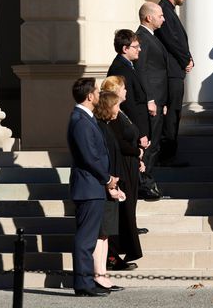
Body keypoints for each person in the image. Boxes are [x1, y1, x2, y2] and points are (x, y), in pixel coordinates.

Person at [67, 77, 118, 297]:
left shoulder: (85, 118)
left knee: (88, 238)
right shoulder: (80, 119)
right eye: (97, 91)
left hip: (92, 186)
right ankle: (83, 284)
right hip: (89, 187)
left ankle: (86, 282)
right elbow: (89, 156)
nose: (99, 94)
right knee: (86, 239)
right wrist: (107, 179)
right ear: (89, 96)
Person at [100, 76, 145, 271]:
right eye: (124, 88)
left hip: (130, 165)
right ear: (116, 90)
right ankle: (112, 255)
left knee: (127, 211)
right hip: (121, 167)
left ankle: (116, 253)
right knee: (119, 212)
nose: (127, 91)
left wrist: (138, 157)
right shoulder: (112, 115)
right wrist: (137, 152)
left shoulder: (120, 111)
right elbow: (118, 143)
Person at [154, 0, 193, 165]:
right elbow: (171, 40)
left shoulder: (169, 10)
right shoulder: (164, 10)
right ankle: (168, 156)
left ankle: (169, 154)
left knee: (174, 113)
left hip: (175, 69)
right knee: (172, 114)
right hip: (172, 71)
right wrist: (186, 59)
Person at [93, 91, 126, 292]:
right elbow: (103, 159)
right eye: (116, 105)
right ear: (108, 107)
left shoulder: (106, 127)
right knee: (101, 234)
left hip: (111, 185)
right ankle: (98, 275)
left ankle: (103, 273)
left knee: (105, 235)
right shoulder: (100, 128)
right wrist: (110, 185)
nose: (119, 109)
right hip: (105, 186)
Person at [135, 2, 168, 197]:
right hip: (152, 101)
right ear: (149, 17)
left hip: (158, 100)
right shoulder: (142, 38)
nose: (163, 19)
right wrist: (150, 99)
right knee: (149, 145)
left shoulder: (151, 37)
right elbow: (141, 71)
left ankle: (146, 181)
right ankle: (143, 183)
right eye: (160, 16)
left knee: (155, 144)